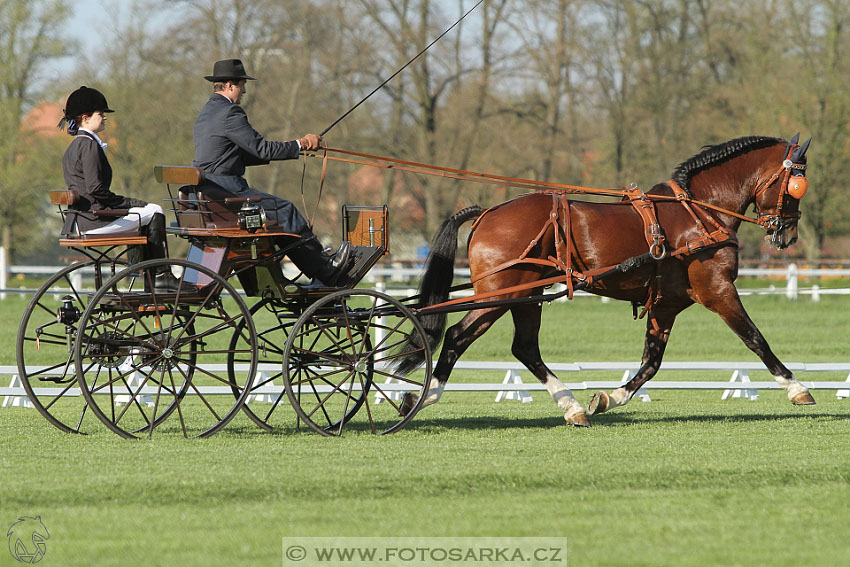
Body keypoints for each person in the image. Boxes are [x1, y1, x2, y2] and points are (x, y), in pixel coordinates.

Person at [193, 58, 350, 286]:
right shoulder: (230, 113)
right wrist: (300, 144)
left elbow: (236, 156)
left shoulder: (206, 113)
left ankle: (311, 268)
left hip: (210, 192)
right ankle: (325, 269)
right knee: (286, 211)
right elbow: (262, 148)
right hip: (227, 192)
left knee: (277, 218)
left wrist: (293, 147)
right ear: (229, 85)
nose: (244, 91)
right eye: (241, 86)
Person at [58, 86, 180, 292]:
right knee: (155, 211)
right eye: (101, 114)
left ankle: (140, 270)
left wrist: (130, 205)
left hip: (78, 220)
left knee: (143, 214)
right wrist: (130, 203)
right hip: (93, 221)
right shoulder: (89, 146)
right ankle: (160, 276)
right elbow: (96, 190)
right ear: (85, 117)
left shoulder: (73, 147)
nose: (104, 118)